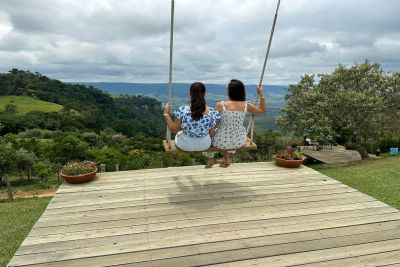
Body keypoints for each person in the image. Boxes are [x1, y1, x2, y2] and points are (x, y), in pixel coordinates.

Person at [206, 79, 266, 168]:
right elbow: (262, 110)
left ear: (229, 91)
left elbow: (213, 124)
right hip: (238, 141)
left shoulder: (220, 105)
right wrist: (261, 93)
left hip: (220, 142)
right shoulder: (246, 105)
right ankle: (226, 159)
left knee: (210, 132)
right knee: (230, 134)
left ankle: (210, 158)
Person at [163, 82, 221, 151]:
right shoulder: (212, 112)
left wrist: (166, 113)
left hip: (184, 145)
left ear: (190, 94)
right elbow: (212, 134)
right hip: (204, 145)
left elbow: (174, 130)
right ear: (204, 94)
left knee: (179, 132)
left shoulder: (183, 110)